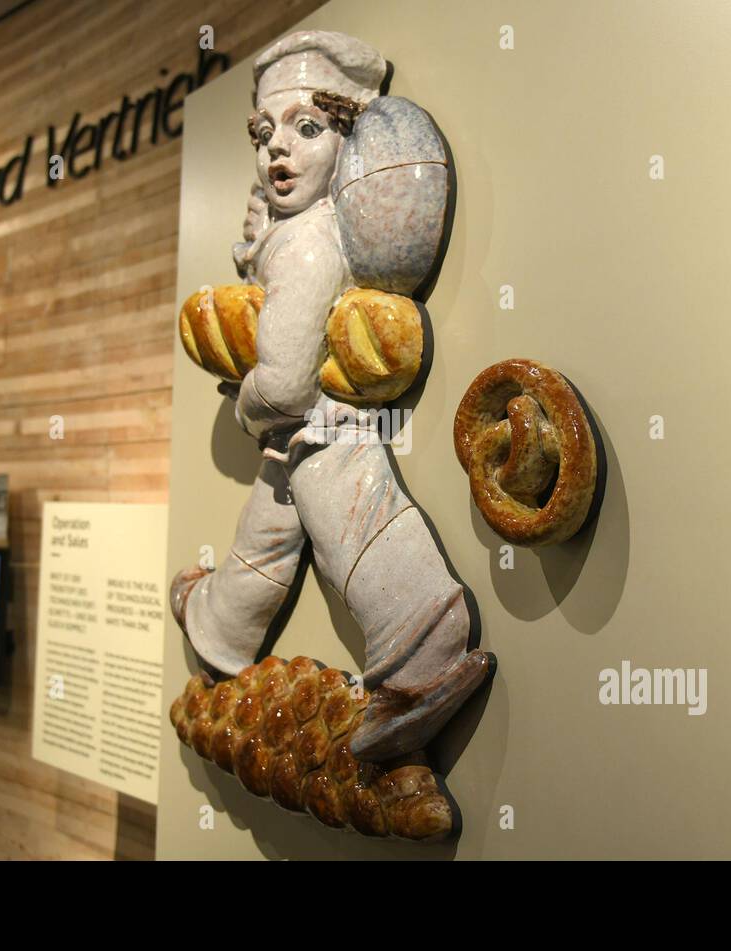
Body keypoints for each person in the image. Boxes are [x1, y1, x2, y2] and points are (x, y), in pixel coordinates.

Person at [170, 30, 491, 762]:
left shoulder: (311, 245)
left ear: (349, 143)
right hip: (311, 425)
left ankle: (423, 652)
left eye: (307, 128)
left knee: (347, 517)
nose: (277, 150)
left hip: (319, 422)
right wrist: (255, 249)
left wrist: (245, 397)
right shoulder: (299, 234)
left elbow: (283, 382)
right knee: (273, 521)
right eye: (264, 133)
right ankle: (223, 628)